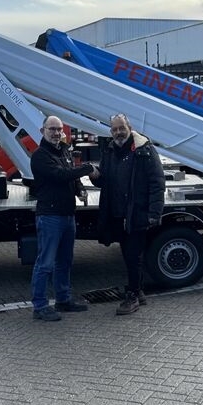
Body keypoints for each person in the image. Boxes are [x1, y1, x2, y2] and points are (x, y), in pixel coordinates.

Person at [93, 113, 165, 315]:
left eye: (121, 128)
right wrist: (94, 176)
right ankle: (139, 291)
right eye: (114, 129)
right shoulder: (109, 150)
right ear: (110, 131)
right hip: (117, 214)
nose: (118, 132)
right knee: (129, 255)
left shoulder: (144, 149)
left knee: (133, 256)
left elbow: (157, 182)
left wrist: (154, 213)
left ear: (129, 127)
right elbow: (104, 180)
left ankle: (132, 296)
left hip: (136, 213)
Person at [30, 115, 97, 321]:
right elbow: (59, 175)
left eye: (59, 129)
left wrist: (80, 189)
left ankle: (63, 299)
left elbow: (70, 176)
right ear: (43, 131)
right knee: (45, 263)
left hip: (67, 215)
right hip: (50, 216)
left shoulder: (64, 151)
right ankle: (40, 306)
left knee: (64, 262)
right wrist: (88, 168)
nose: (56, 133)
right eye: (52, 129)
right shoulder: (40, 156)